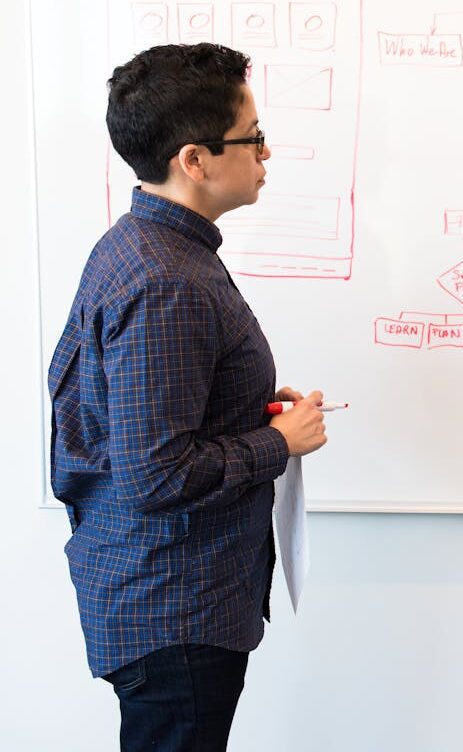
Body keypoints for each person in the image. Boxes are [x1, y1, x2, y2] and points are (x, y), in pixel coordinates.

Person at [48, 43, 328, 751]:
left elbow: (147, 422)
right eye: (252, 138)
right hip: (174, 609)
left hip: (167, 599)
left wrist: (249, 410)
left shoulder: (151, 248)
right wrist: (278, 443)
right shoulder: (165, 281)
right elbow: (156, 474)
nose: (266, 153)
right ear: (195, 160)